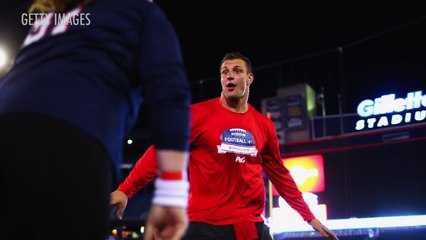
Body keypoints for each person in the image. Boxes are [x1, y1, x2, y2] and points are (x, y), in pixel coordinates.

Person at [0, 0, 191, 240]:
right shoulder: (140, 10)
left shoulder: (52, 20)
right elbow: (170, 94)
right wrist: (171, 193)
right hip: (69, 141)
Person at [111, 52, 339, 240]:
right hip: (204, 227)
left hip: (250, 226)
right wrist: (125, 190)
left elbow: (280, 175)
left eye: (237, 71)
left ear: (249, 78)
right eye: (224, 72)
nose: (229, 76)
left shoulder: (264, 125)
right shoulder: (197, 115)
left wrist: (309, 217)